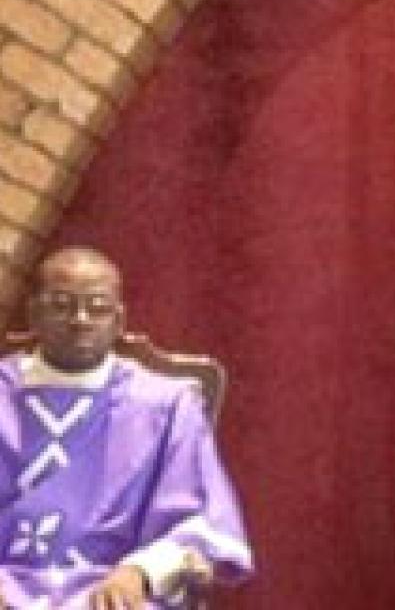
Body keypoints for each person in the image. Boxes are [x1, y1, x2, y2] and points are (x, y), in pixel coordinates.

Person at [0, 247, 253, 610]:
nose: (80, 319)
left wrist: (141, 572)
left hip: (115, 589)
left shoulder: (167, 406)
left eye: (97, 306)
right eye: (62, 304)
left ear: (119, 321)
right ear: (34, 314)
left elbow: (203, 519)